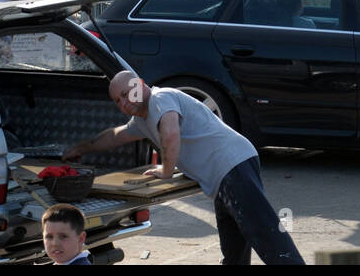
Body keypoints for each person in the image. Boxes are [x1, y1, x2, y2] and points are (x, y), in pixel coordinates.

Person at [63, 72, 304, 265]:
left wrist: (165, 171)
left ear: (140, 84)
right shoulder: (142, 120)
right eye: (118, 100)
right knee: (234, 247)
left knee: (267, 237)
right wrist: (82, 148)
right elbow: (115, 136)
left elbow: (170, 133)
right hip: (223, 175)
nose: (124, 103)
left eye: (127, 93)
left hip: (232, 165)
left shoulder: (160, 98)